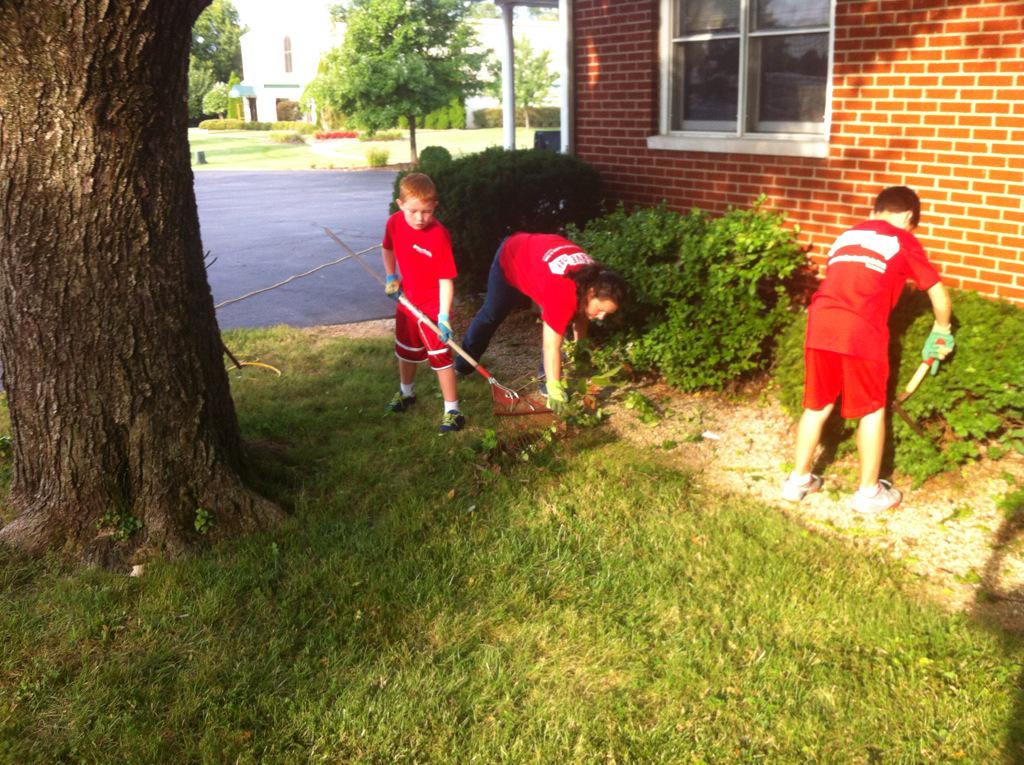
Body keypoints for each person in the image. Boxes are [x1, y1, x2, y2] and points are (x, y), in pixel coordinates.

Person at [781, 186, 954, 513]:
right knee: (872, 408)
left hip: (820, 323)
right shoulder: (903, 239)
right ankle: (869, 493)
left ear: (875, 211)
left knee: (817, 405)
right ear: (907, 217)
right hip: (862, 330)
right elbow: (938, 296)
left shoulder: (847, 236)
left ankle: (798, 481)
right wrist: (942, 328)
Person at [454, 232, 627, 412]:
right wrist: (555, 388)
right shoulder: (563, 292)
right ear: (591, 293)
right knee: (493, 314)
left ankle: (546, 379)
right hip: (512, 256)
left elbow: (582, 317)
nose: (601, 318)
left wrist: (580, 349)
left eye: (606, 313)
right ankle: (463, 365)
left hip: (536, 261)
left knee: (566, 319)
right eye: (600, 310)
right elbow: (552, 345)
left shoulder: (593, 278)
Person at [381, 172, 464, 433]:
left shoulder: (438, 235)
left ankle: (452, 410)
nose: (419, 218)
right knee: (406, 351)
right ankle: (406, 393)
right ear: (400, 204)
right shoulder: (394, 223)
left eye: (426, 212)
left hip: (432, 304)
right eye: (413, 211)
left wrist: (443, 316)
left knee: (440, 356)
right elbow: (387, 247)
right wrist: (391, 275)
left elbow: (446, 280)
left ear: (434, 207)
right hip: (406, 299)